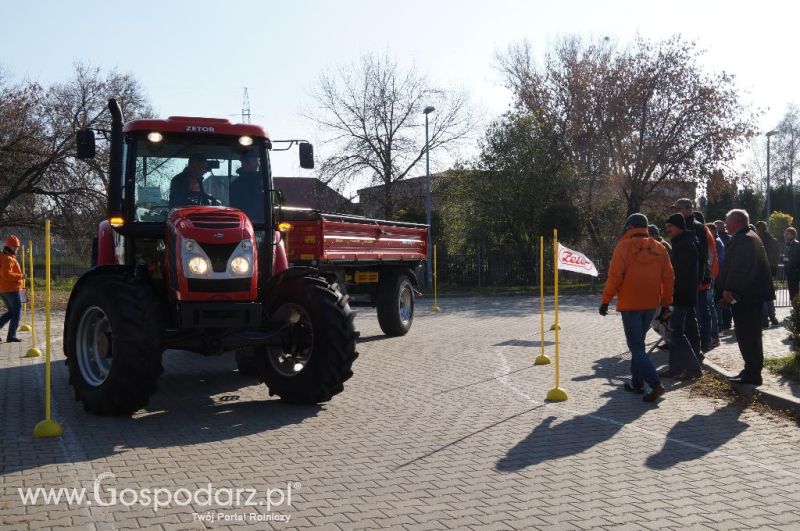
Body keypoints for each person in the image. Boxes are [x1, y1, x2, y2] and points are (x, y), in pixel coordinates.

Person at [600, 213, 673, 402]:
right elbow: (668, 277)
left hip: (630, 304)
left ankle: (655, 384)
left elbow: (615, 276)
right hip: (650, 303)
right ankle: (637, 382)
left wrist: (606, 300)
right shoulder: (659, 247)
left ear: (630, 226)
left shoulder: (623, 247)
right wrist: (665, 303)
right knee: (638, 343)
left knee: (636, 347)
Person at [716, 209, 775, 386]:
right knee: (750, 335)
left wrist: (728, 289)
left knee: (747, 335)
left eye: (727, 221)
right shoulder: (749, 236)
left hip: (746, 297)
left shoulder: (744, 240)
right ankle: (751, 370)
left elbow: (739, 268)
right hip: (751, 295)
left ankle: (752, 373)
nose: (725, 224)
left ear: (737, 222)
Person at [661, 214, 704, 380]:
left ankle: (693, 368)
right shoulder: (684, 243)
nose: (668, 230)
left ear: (679, 226)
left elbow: (680, 275)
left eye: (670, 226)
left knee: (676, 332)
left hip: (680, 296)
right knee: (674, 331)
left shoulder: (684, 245)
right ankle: (675, 368)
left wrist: (672, 294)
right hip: (683, 294)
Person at [672, 199, 704, 359]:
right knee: (688, 318)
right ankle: (689, 352)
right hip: (684, 280)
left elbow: (702, 256)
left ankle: (695, 352)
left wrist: (699, 279)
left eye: (678, 209)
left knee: (691, 319)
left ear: (688, 209)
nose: (675, 212)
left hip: (691, 280)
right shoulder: (679, 225)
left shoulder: (697, 227)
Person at [693, 211, 718, 352]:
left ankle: (708, 339)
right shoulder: (706, 233)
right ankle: (709, 338)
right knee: (707, 310)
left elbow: (705, 258)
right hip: (707, 276)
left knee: (704, 311)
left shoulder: (703, 234)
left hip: (703, 278)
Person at [0, 235, 25, 343]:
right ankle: (11, 336)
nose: (17, 249)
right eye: (15, 247)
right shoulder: (7, 258)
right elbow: (7, 275)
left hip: (4, 289)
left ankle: (11, 335)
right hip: (10, 289)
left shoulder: (5, 256)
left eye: (17, 247)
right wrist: (21, 276)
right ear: (9, 246)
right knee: (17, 312)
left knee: (11, 312)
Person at [755, 221, 780, 327]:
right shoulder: (773, 240)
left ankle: (764, 320)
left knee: (762, 296)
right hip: (772, 270)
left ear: (758, 228)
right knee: (769, 295)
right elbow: (777, 255)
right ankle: (772, 316)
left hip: (761, 270)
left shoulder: (758, 240)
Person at [229, 150, 264, 222]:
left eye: (258, 161)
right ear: (245, 163)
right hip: (245, 222)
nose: (258, 164)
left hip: (261, 224)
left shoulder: (264, 180)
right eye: (255, 161)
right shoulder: (236, 185)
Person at [783, 227, 800, 303]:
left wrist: (786, 259)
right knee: (792, 292)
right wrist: (783, 258)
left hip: (794, 272)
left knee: (794, 292)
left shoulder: (796, 244)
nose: (785, 235)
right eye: (784, 234)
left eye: (787, 234)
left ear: (793, 235)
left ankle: (796, 312)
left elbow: (794, 259)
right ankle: (795, 310)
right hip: (790, 272)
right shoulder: (788, 244)